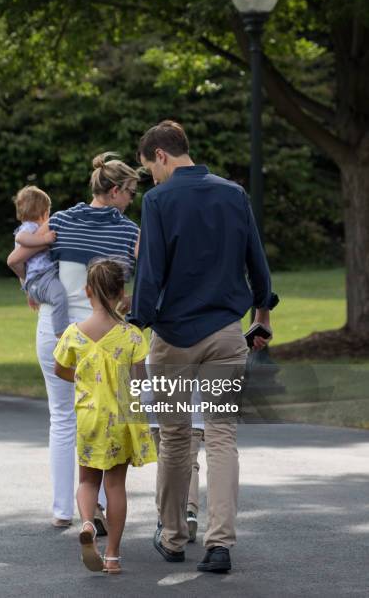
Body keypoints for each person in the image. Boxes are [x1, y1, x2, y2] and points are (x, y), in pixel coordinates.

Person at [129, 120, 278, 573]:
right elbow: (257, 261)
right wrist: (262, 317)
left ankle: (172, 536)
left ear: (161, 155)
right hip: (225, 335)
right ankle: (220, 545)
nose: (150, 180)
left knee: (174, 440)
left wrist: (138, 323)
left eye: (148, 169)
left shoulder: (158, 200)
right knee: (221, 437)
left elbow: (150, 271)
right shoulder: (234, 194)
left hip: (173, 337)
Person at [7, 153, 140, 530]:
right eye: (130, 191)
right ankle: (96, 504)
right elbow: (135, 285)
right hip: (107, 336)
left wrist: (27, 287)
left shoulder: (60, 220)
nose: (132, 199)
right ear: (114, 191)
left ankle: (64, 509)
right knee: (105, 417)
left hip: (57, 331)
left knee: (63, 418)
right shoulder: (129, 232)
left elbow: (17, 257)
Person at [53, 259, 157, 574]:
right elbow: (139, 381)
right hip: (121, 420)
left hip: (89, 417)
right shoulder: (133, 336)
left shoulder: (74, 333)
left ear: (87, 292)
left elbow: (60, 369)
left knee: (86, 480)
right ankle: (112, 556)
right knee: (115, 486)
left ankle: (87, 523)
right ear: (121, 293)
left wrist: (87, 381)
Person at [7, 185, 69, 337]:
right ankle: (61, 332)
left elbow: (24, 274)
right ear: (43, 211)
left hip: (37, 280)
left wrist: (28, 291)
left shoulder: (33, 228)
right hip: (42, 277)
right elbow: (20, 238)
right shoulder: (29, 227)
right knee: (60, 296)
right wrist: (44, 239)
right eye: (48, 210)